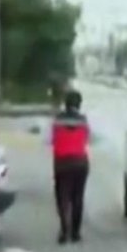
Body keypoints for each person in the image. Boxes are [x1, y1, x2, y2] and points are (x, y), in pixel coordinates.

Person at [50, 89, 93, 243]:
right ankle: (75, 233)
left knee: (62, 197)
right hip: (80, 163)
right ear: (79, 104)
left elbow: (51, 140)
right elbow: (88, 139)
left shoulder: (57, 120)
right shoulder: (83, 121)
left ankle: (64, 231)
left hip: (62, 163)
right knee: (78, 197)